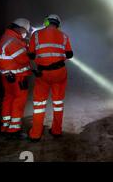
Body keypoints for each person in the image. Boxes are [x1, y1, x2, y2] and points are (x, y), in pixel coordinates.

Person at [27, 14, 73, 142]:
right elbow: (70, 54)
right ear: (58, 24)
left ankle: (35, 134)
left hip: (43, 74)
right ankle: (56, 130)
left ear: (46, 22)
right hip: (59, 73)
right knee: (58, 103)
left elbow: (30, 55)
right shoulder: (64, 36)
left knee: (39, 104)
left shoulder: (36, 35)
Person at [0, 18, 32, 137]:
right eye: (25, 31)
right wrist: (29, 49)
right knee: (19, 101)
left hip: (7, 76)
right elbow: (24, 59)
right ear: (19, 28)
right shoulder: (13, 41)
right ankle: (14, 130)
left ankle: (5, 125)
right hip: (18, 77)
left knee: (8, 99)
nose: (25, 33)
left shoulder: (7, 37)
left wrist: (24, 44)